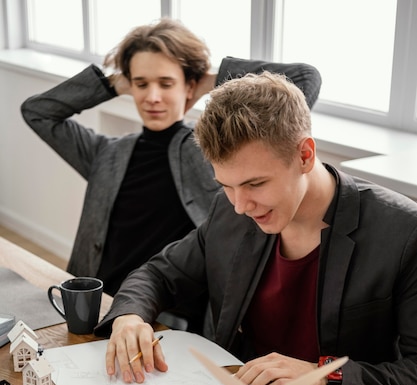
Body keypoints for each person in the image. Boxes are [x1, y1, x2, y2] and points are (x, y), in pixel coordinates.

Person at [95, 70, 417, 385]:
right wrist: (130, 317)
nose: (240, 205)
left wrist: (324, 377)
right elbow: (159, 274)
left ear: (304, 155)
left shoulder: (403, 233)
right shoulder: (230, 211)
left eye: (254, 184)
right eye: (226, 185)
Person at [21, 17, 321, 304]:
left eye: (165, 83)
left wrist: (207, 81)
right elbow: (38, 112)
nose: (152, 96)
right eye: (141, 84)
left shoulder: (212, 151)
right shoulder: (105, 154)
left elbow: (305, 79)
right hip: (94, 302)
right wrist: (114, 83)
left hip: (164, 310)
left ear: (189, 86)